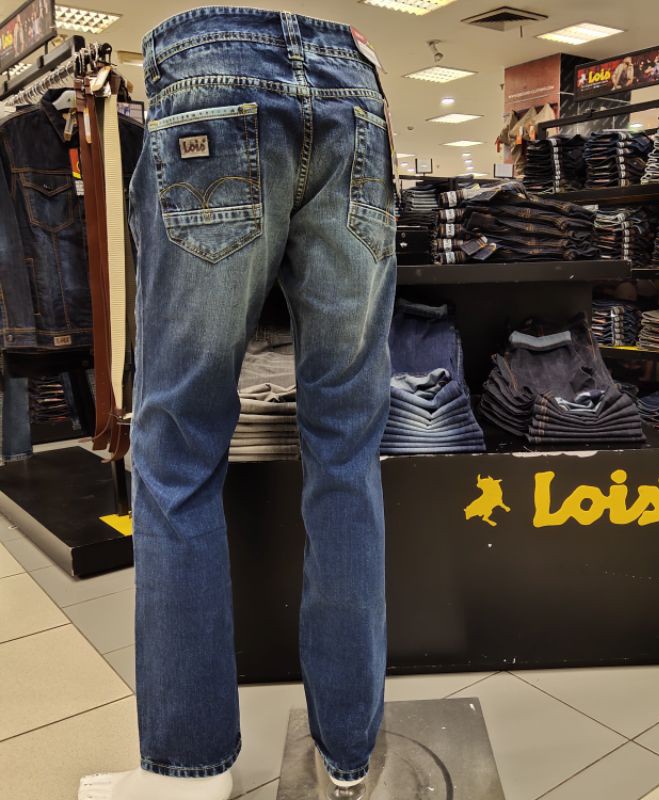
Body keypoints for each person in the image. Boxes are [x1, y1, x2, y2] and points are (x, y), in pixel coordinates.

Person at [78, 8, 396, 800]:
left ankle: (191, 770)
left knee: (177, 457)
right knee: (347, 452)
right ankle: (348, 755)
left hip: (209, 79)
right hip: (353, 88)